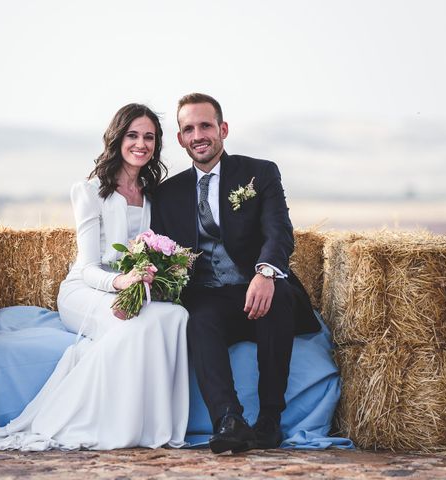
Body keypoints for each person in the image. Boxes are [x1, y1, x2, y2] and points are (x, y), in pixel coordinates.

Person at [0, 103, 190, 451]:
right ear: (117, 138)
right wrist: (121, 283)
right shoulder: (90, 192)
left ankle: (154, 427)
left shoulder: (154, 197)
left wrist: (159, 275)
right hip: (85, 291)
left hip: (131, 288)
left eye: (149, 137)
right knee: (133, 326)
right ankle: (102, 424)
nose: (141, 143)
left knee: (176, 316)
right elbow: (89, 267)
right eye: (133, 135)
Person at [151, 93, 321, 454]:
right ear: (181, 138)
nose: (198, 135)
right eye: (189, 129)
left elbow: (279, 231)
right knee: (199, 319)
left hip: (258, 284)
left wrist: (265, 272)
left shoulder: (259, 173)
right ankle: (228, 420)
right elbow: (164, 253)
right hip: (212, 296)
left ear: (222, 129)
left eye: (205, 126)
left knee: (275, 301)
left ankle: (270, 421)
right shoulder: (167, 194)